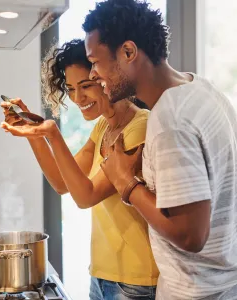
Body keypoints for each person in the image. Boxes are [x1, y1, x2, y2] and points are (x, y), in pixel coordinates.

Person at [82, 0, 237, 299]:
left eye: (96, 62)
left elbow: (191, 235)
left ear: (128, 52)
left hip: (194, 292)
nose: (93, 74)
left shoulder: (170, 120)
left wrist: (125, 182)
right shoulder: (202, 89)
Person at [0, 39, 158, 300]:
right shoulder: (104, 127)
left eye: (86, 86)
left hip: (135, 280)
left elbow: (86, 196)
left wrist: (52, 133)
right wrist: (34, 134)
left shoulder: (139, 127)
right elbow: (63, 183)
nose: (77, 98)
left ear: (107, 78)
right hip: (103, 274)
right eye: (71, 89)